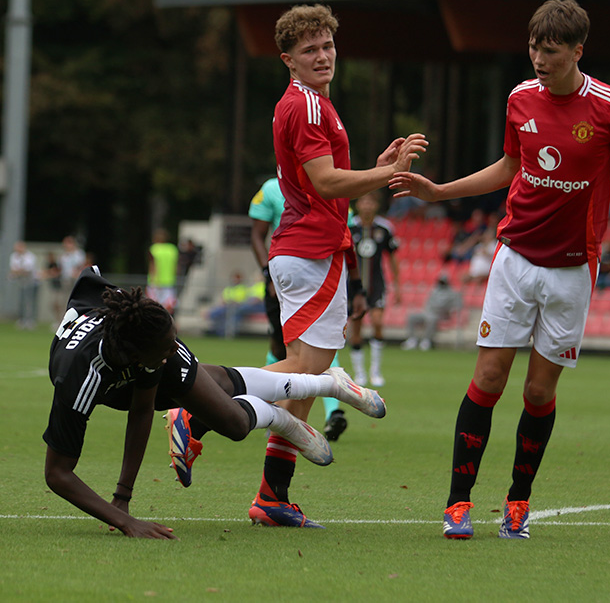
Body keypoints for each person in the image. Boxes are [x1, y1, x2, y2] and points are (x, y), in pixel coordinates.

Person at [389, 0, 610, 540]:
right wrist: (440, 192)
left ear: (577, 51)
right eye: (535, 47)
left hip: (572, 270)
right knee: (488, 378)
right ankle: (458, 504)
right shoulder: (519, 99)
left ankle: (517, 503)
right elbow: (511, 166)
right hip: (514, 258)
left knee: (538, 393)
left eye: (551, 50)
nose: (539, 58)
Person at [235, 4, 426, 528]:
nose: (323, 57)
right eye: (310, 50)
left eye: (327, 47)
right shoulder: (310, 107)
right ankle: (200, 406)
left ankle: (272, 497)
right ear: (288, 60)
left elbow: (326, 178)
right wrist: (381, 172)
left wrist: (374, 168)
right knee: (309, 372)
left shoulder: (305, 104)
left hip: (309, 249)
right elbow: (326, 181)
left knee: (302, 381)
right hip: (311, 250)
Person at [43, 266, 385, 538]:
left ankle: (328, 385)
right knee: (222, 400)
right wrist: (124, 519)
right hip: (112, 378)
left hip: (135, 348)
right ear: (136, 356)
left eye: (173, 342)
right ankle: (286, 419)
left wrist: (124, 494)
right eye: (165, 350)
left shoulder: (148, 336)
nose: (173, 353)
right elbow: (58, 474)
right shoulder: (80, 375)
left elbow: (144, 409)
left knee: (233, 421)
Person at [249, 176, 349, 441]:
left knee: (315, 350)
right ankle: (217, 400)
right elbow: (257, 235)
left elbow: (344, 232)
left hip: (317, 269)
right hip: (290, 271)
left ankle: (328, 413)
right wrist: (266, 273)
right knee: (293, 352)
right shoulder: (272, 188)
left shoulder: (331, 183)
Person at [347, 191, 402, 388]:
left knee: (378, 323)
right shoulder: (350, 227)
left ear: (376, 205)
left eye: (371, 201)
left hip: (377, 284)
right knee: (356, 328)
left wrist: (397, 285)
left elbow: (393, 257)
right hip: (354, 285)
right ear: (358, 204)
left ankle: (376, 371)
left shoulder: (384, 228)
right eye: (364, 201)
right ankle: (359, 373)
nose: (368, 205)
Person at [400, 273, 464, 350]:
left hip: (440, 315)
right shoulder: (434, 291)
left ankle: (426, 341)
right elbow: (427, 303)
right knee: (412, 317)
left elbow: (457, 306)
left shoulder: (452, 293)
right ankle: (412, 340)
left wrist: (449, 311)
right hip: (428, 312)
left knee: (431, 319)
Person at [206, 272, 265, 337]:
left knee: (235, 312)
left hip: (250, 306)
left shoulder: (244, 288)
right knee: (220, 312)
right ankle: (219, 329)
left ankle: (223, 332)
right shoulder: (229, 288)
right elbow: (223, 299)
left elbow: (255, 299)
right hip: (229, 306)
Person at [146, 229, 178, 315]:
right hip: (169, 281)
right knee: (168, 307)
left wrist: (153, 281)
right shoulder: (172, 249)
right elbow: (175, 267)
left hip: (156, 282)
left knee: (153, 306)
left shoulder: (154, 249)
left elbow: (153, 266)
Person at [9, 240, 40, 329]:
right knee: (21, 301)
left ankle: (31, 320)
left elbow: (28, 270)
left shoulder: (30, 256)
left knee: (30, 301)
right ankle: (22, 319)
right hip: (21, 282)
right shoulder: (14, 256)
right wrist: (19, 271)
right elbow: (13, 269)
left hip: (31, 282)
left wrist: (19, 271)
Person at [58, 235, 86, 300]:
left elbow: (80, 265)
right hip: (66, 279)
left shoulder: (79, 253)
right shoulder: (63, 256)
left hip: (75, 279)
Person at [42, 251, 64, 320]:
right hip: (52, 287)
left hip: (58, 287)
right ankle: (57, 319)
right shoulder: (48, 265)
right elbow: (45, 274)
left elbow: (57, 273)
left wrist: (51, 273)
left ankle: (60, 319)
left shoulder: (56, 264)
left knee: (59, 304)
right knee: (52, 305)